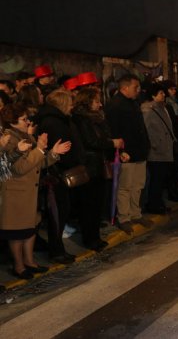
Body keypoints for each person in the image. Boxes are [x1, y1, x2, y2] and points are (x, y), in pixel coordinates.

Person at [0, 103, 71, 278]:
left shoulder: (24, 135)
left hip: (29, 191)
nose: (28, 122)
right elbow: (19, 168)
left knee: (30, 228)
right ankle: (19, 266)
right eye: (23, 119)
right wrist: (39, 148)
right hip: (16, 193)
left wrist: (53, 153)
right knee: (17, 233)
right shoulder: (9, 138)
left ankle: (30, 261)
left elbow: (38, 163)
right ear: (13, 121)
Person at [37, 89, 86, 264]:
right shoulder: (55, 123)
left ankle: (58, 249)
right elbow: (62, 151)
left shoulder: (56, 120)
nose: (72, 106)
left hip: (56, 174)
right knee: (58, 214)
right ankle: (56, 251)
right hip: (56, 176)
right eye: (70, 102)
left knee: (60, 213)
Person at [72, 87, 123, 251]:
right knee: (89, 205)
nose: (100, 104)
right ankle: (90, 239)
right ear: (87, 102)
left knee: (97, 204)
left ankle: (95, 236)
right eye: (96, 101)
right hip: (89, 166)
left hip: (98, 164)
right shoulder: (81, 119)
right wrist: (111, 143)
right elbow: (91, 141)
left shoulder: (96, 118)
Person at [104, 74, 152, 234]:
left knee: (138, 185)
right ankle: (124, 218)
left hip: (139, 152)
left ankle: (135, 213)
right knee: (125, 187)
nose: (138, 90)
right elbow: (112, 131)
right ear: (124, 88)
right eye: (135, 87)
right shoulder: (114, 105)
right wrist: (121, 151)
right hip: (126, 153)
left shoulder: (133, 102)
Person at [141, 84, 175, 214]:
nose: (164, 95)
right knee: (156, 179)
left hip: (164, 148)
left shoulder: (162, 108)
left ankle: (158, 202)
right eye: (161, 93)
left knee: (161, 179)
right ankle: (153, 204)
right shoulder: (149, 110)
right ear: (153, 95)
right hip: (156, 151)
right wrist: (155, 144)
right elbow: (147, 130)